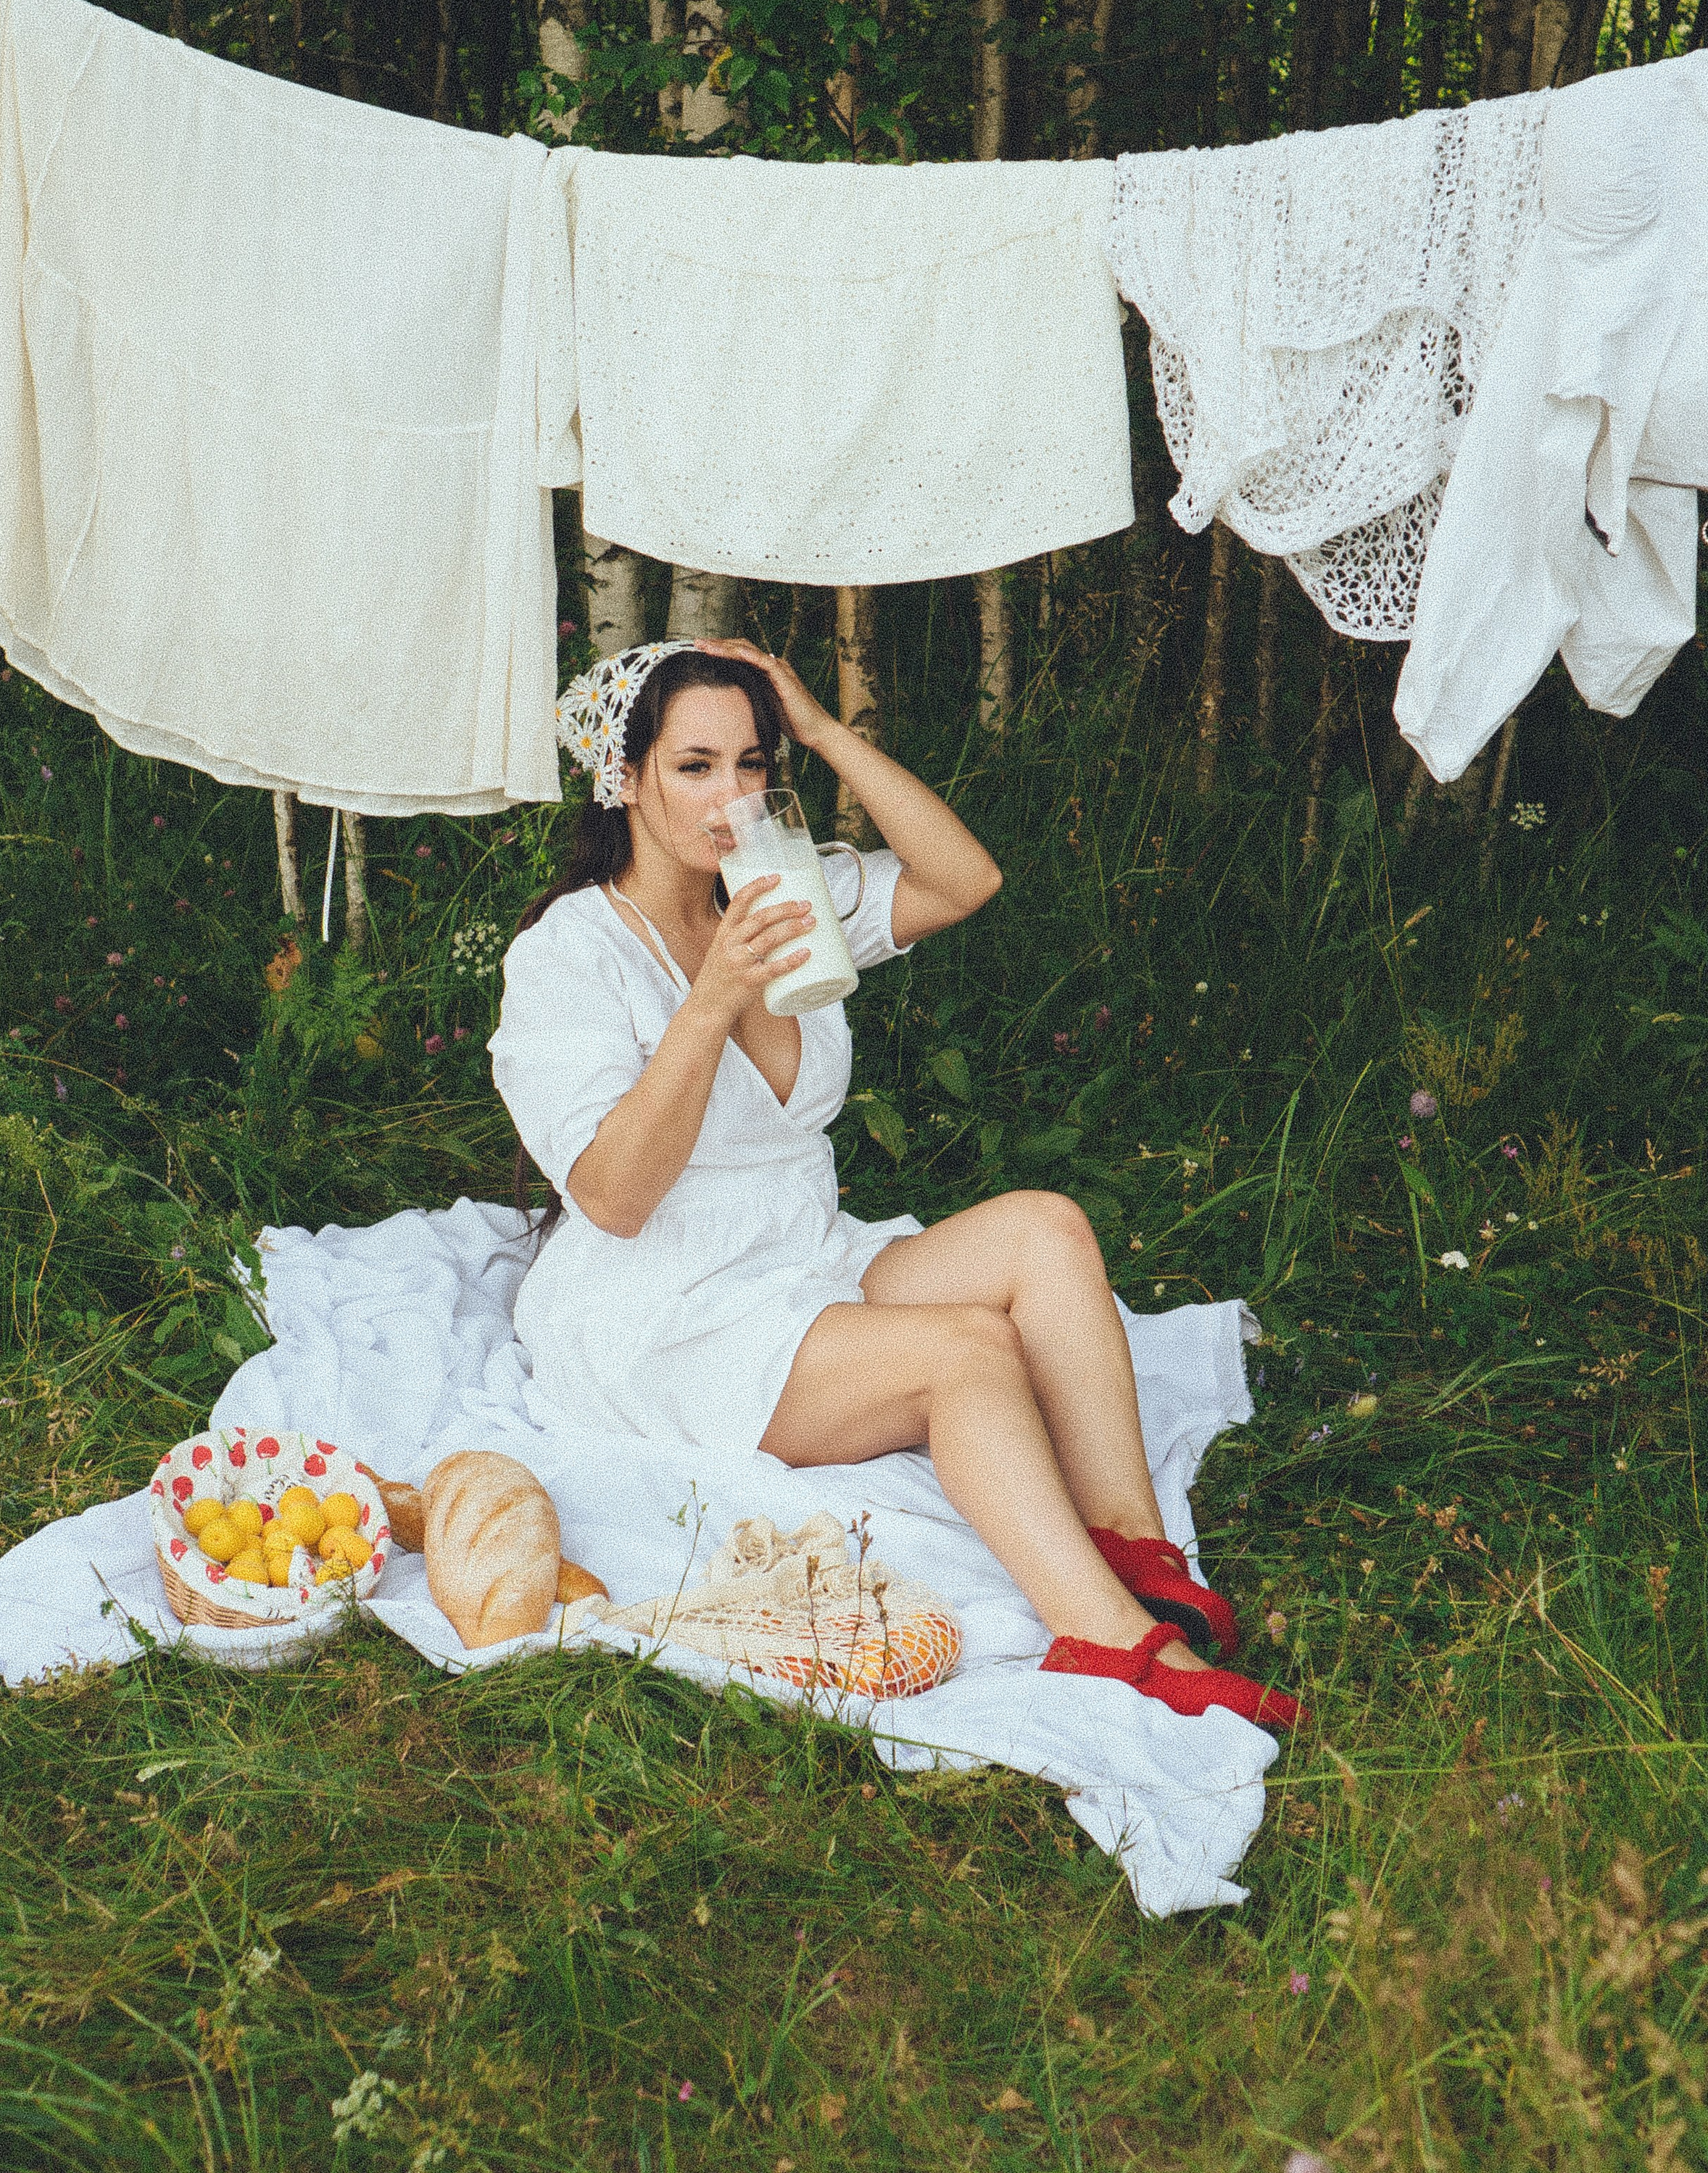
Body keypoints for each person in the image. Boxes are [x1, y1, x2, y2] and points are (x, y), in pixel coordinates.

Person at [489, 637, 1298, 1733]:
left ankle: (1132, 1548)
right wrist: (713, 996)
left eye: (753, 763)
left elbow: (964, 881)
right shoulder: (572, 954)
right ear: (625, 779)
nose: (732, 799)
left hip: (800, 1254)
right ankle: (1104, 1640)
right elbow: (614, 1199)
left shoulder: (777, 889)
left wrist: (823, 731)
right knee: (966, 1353)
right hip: (667, 1309)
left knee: (1047, 1230)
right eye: (694, 767)